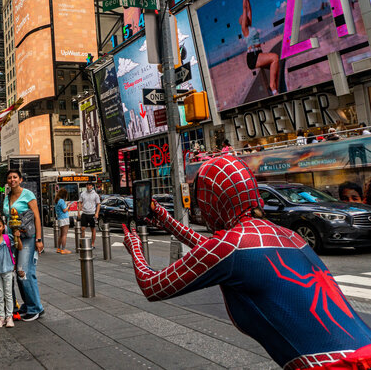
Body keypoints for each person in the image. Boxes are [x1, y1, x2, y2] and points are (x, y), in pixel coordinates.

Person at [123, 156, 371, 369]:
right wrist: (168, 221)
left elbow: (152, 285)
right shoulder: (287, 235)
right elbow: (215, 252)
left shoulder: (231, 246)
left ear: (213, 200)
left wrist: (134, 246)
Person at [3, 169, 44, 321]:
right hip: (13, 238)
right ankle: (28, 304)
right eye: (9, 177)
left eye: (15, 177)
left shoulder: (28, 194)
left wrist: (39, 240)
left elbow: (37, 217)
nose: (12, 179)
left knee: (24, 272)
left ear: (20, 179)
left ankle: (35, 308)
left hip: (28, 238)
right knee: (18, 273)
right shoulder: (7, 197)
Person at [239, 0, 281, 96]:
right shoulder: (245, 29)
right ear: (242, 21)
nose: (246, 17)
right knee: (275, 57)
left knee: (276, 65)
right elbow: (244, 8)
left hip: (258, 54)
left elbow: (249, 10)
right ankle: (272, 87)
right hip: (253, 57)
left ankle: (275, 89)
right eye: (243, 18)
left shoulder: (251, 27)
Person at [78, 183, 101, 249]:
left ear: (92, 186)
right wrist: (79, 212)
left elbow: (98, 204)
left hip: (92, 213)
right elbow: (80, 202)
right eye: (87, 185)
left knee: (93, 229)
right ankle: (83, 243)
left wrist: (97, 213)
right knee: (82, 228)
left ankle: (92, 244)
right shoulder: (83, 193)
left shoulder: (95, 194)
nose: (88, 186)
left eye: (90, 185)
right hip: (84, 213)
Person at [54, 189, 71, 254]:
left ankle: (58, 248)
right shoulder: (61, 200)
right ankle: (63, 249)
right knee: (64, 235)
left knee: (61, 234)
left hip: (60, 218)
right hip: (64, 218)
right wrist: (68, 206)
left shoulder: (57, 200)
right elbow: (64, 210)